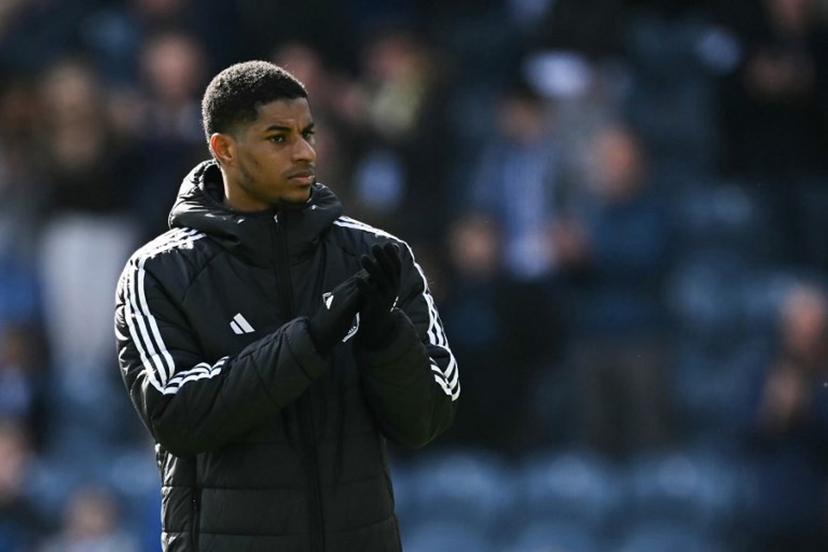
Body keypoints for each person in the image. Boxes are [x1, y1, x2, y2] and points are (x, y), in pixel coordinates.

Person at [113, 60, 459, 551]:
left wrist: (386, 337)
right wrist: (311, 339)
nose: (304, 152)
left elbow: (428, 418)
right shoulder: (159, 273)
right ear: (224, 149)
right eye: (279, 137)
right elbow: (178, 415)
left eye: (308, 133)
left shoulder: (377, 257)